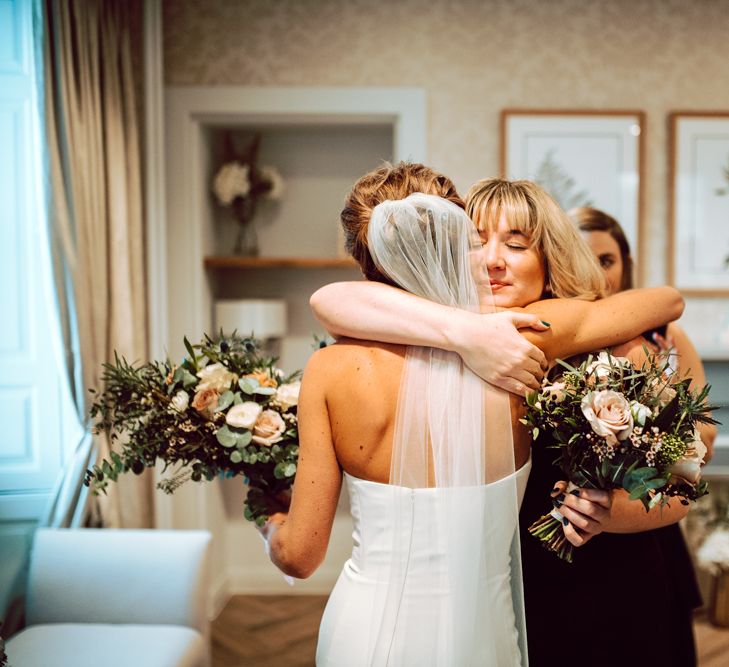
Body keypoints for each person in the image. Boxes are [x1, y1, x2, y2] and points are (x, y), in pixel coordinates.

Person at [309, 172, 693, 665]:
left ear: (548, 260)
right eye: (472, 242)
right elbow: (330, 299)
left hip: (606, 588)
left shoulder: (587, 337)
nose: (491, 260)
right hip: (505, 597)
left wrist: (612, 514)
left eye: (515, 244)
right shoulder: (440, 343)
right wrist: (465, 332)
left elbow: (682, 484)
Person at [262, 164, 536, 665]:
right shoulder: (523, 356)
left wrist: (270, 525)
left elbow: (300, 556)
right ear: (459, 239)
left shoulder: (331, 370)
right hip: (486, 636)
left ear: (365, 259)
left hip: (366, 638)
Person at [559, 204, 718, 665]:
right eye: (582, 260)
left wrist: (660, 391)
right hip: (569, 528)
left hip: (646, 528)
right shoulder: (556, 333)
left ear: (625, 263)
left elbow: (701, 439)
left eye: (607, 261)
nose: (597, 275)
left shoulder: (662, 335)